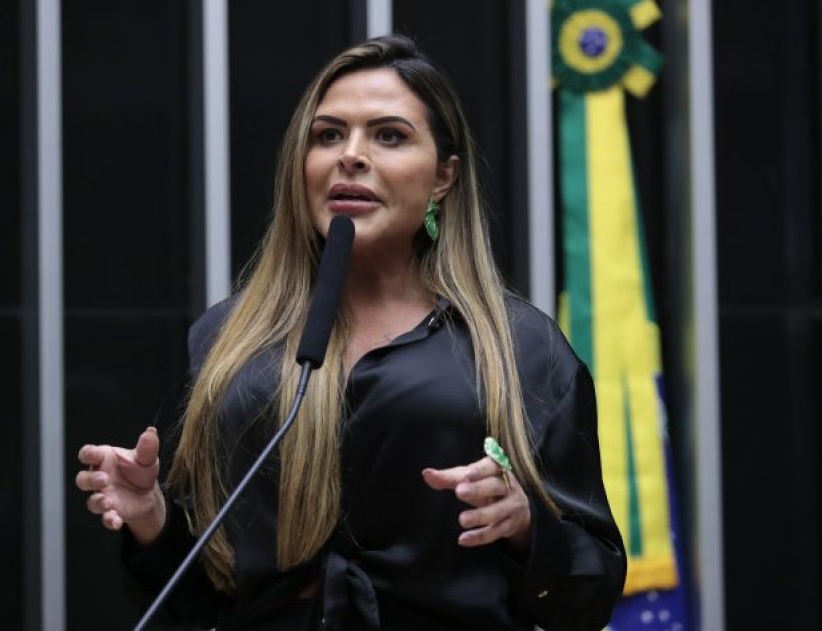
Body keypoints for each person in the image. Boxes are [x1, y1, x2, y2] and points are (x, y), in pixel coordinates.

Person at [75, 34, 625, 631]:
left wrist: (524, 526)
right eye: (328, 135)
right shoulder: (228, 342)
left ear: (443, 178)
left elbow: (589, 594)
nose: (351, 156)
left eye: (389, 136)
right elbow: (201, 600)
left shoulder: (522, 348)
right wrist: (150, 517)